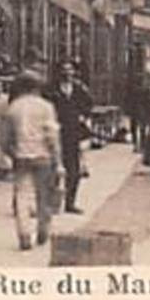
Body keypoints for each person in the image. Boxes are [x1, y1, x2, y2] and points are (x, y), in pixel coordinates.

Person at [0, 71, 58, 251]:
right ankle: (42, 229)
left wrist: (11, 152)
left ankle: (24, 233)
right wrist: (56, 156)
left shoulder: (13, 108)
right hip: (43, 156)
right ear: (37, 87)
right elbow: (52, 134)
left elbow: (5, 138)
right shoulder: (46, 107)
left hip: (21, 156)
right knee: (43, 195)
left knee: (22, 195)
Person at [50, 62, 93, 214]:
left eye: (70, 70)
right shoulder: (53, 90)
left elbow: (89, 105)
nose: (67, 73)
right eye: (64, 70)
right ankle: (53, 202)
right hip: (56, 132)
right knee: (54, 168)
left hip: (74, 133)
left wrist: (83, 116)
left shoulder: (79, 89)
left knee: (73, 171)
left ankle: (70, 202)